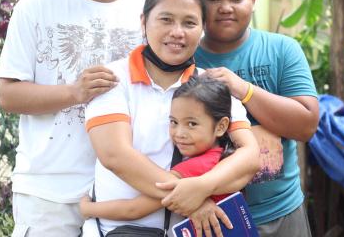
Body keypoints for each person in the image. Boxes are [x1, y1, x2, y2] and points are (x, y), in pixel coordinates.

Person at [0, 0, 142, 237]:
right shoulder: (36, 7)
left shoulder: (149, 13)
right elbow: (8, 96)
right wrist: (74, 91)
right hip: (47, 191)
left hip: (124, 190)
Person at [82, 0, 260, 237]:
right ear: (144, 22)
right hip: (120, 231)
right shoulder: (112, 79)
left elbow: (250, 156)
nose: (177, 32)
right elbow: (115, 156)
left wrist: (200, 189)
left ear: (202, 29)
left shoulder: (212, 86)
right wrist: (193, 199)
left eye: (189, 23)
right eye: (166, 20)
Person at [193, 0, 319, 237]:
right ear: (196, 1)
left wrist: (242, 89)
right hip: (209, 217)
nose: (225, 7)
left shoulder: (282, 49)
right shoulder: (182, 59)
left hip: (281, 212)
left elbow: (307, 125)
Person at [79, 75, 235, 221]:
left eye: (192, 124)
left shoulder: (194, 169)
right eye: (174, 122)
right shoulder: (226, 158)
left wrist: (89, 209)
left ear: (221, 126)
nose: (179, 133)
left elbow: (133, 210)